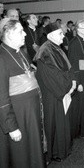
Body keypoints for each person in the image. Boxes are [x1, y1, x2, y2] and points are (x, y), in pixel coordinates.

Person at [0, 18, 45, 168]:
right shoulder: (1, 57)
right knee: (21, 157)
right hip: (18, 116)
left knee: (32, 153)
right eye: (20, 31)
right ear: (9, 33)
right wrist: (11, 127)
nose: (25, 34)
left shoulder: (21, 53)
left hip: (29, 114)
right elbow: (2, 97)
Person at [34, 22, 76, 164]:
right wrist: (67, 88)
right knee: (54, 123)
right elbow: (51, 76)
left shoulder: (57, 48)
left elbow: (68, 69)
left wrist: (72, 82)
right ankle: (54, 152)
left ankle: (63, 149)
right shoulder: (45, 51)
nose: (63, 35)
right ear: (51, 35)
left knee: (62, 122)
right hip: (54, 94)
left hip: (62, 90)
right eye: (60, 33)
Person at [68, 19, 84, 139]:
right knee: (79, 107)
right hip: (79, 80)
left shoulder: (82, 41)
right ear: (78, 29)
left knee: (83, 105)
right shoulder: (74, 42)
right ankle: (79, 132)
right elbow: (73, 64)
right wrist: (78, 82)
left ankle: (83, 130)